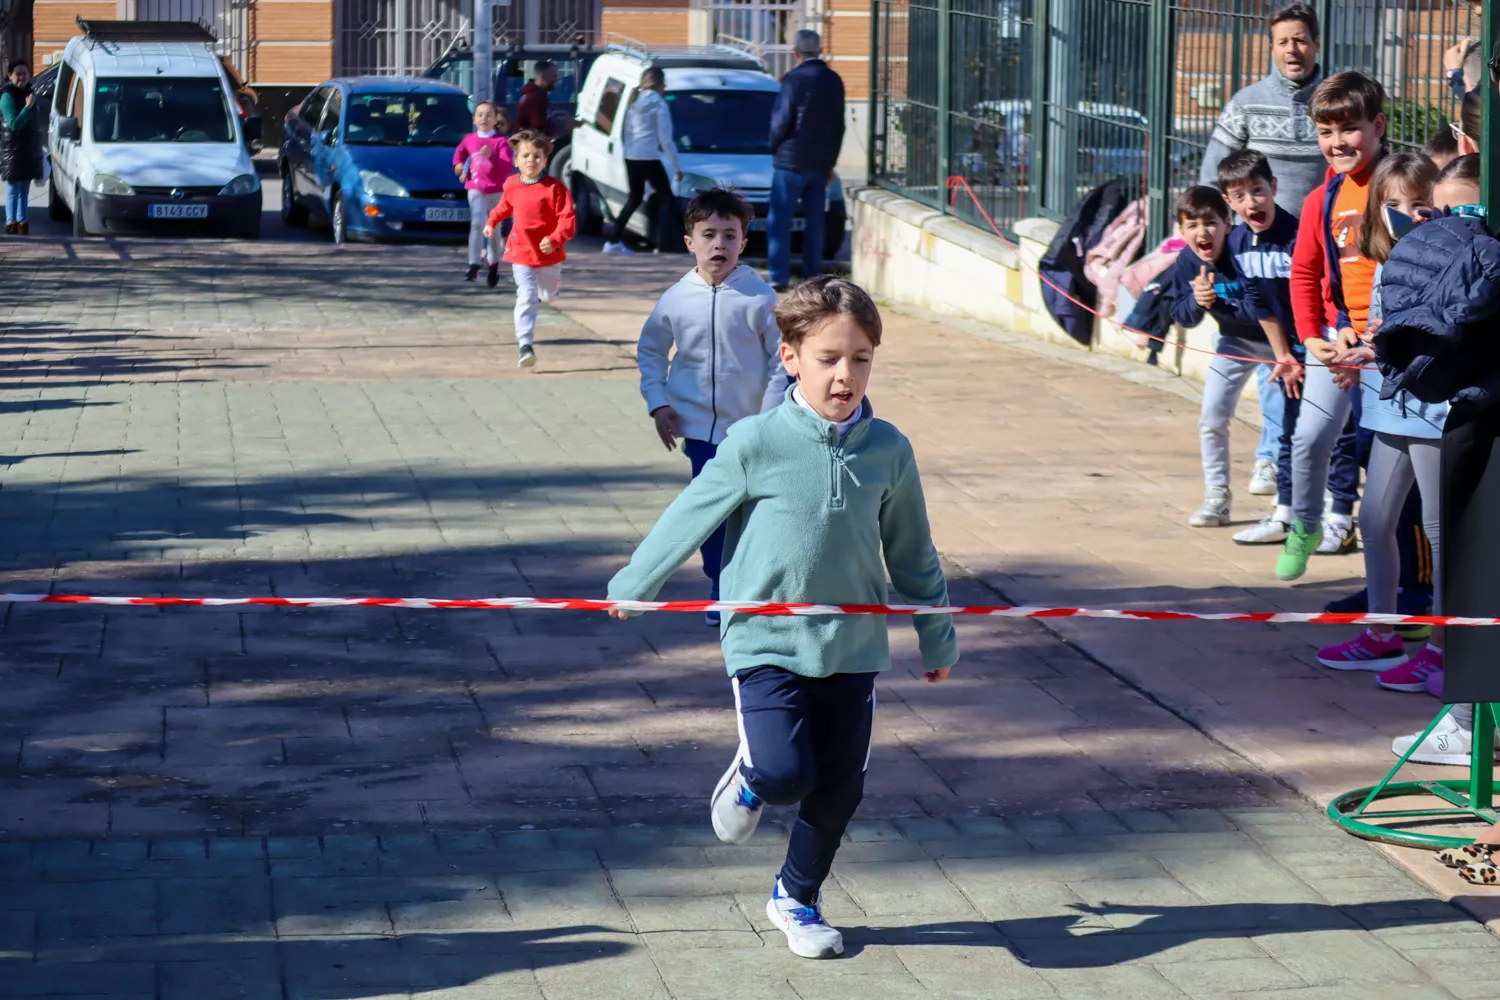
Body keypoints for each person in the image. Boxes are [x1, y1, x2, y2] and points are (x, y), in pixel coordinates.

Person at [606, 276, 958, 960]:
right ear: (790, 357)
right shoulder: (755, 442)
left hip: (852, 645)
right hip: (765, 641)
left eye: (860, 358)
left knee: (840, 788)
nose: (845, 374)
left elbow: (914, 552)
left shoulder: (888, 448)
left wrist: (935, 632)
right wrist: (637, 581)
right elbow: (690, 515)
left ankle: (796, 898)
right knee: (785, 772)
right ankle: (750, 778)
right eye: (828, 357)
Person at [1314, 152, 1446, 690]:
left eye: (1419, 204)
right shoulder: (1385, 264)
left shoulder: (1447, 262)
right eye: (1392, 205)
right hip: (1389, 406)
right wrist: (1355, 348)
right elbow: (1380, 328)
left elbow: (1433, 334)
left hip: (1433, 411)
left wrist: (1378, 352)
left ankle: (1443, 647)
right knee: (1374, 519)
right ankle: (1381, 631)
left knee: (1440, 531)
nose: (1406, 215)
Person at [636, 187, 788, 623]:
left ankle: (755, 585)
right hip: (700, 431)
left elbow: (784, 360)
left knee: (757, 510)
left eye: (729, 234)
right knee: (711, 513)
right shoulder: (675, 298)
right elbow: (650, 351)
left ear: (744, 241)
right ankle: (721, 588)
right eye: (708, 234)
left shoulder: (761, 298)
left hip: (754, 430)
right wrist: (658, 402)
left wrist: (769, 417)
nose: (718, 244)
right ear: (690, 242)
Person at [1278, 71, 1388, 581]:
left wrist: (1376, 342)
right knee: (1310, 439)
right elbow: (1303, 272)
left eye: (1349, 129)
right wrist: (1312, 338)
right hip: (1338, 339)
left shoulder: (1402, 187)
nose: (1336, 142)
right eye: (1325, 131)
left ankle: (1395, 577)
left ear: (1378, 125)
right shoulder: (1321, 200)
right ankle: (1304, 524)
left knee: (1378, 458)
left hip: (1390, 346)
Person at [1207, 150, 1307, 545]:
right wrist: (1282, 355)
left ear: (1274, 187)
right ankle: (1286, 515)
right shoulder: (1238, 243)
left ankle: (1337, 517)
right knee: (1289, 431)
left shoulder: (1299, 236)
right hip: (1288, 353)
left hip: (1319, 348)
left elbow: (1315, 296)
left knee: (1344, 439)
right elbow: (1259, 303)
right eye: (1240, 196)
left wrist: (1306, 351)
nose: (1252, 202)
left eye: (1258, 191)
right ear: (1228, 203)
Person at [1169, 185, 1283, 527]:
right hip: (1234, 343)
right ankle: (1217, 497)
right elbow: (1181, 314)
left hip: (1279, 342)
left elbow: (1261, 308)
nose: (1202, 232)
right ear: (1181, 230)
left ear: (1228, 223)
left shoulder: (1243, 252)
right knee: (1212, 418)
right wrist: (1196, 301)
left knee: (1284, 419)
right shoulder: (1187, 261)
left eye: (1210, 223)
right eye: (1192, 225)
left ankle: (1285, 493)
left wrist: (1215, 302)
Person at [1198, 3, 1326, 214]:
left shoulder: (1334, 105)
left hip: (1318, 238)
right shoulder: (1245, 104)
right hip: (1255, 240)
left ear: (1317, 44)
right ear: (1272, 48)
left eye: (1300, 41)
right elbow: (1212, 177)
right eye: (1282, 42)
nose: (1291, 50)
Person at [484, 130, 577, 369]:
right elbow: (504, 207)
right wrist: (492, 222)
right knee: (526, 296)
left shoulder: (555, 189)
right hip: (520, 251)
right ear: (516, 160)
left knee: (546, 294)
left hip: (549, 254)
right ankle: (525, 345)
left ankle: (551, 289)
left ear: (545, 160)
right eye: (525, 155)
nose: (531, 160)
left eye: (537, 156)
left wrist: (555, 238)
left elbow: (568, 219)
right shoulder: (512, 185)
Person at [767, 30, 845, 292]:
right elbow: (839, 125)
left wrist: (773, 146)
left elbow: (782, 119)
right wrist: (831, 161)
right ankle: (812, 278)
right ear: (820, 50)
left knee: (779, 220)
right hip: (820, 164)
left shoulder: (793, 79)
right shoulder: (834, 80)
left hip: (790, 162)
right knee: (815, 223)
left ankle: (779, 277)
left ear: (796, 53)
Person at [603, 68, 684, 256]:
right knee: (668, 199)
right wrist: (676, 166)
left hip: (631, 157)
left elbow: (626, 131)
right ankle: (687, 244)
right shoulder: (659, 104)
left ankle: (613, 240)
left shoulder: (634, 101)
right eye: (664, 84)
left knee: (635, 198)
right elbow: (666, 140)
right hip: (649, 157)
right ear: (659, 84)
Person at [454, 102, 515, 286]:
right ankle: (473, 264)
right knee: (477, 222)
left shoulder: (500, 142)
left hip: (496, 189)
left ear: (496, 120)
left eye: (489, 115)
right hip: (475, 187)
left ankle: (493, 263)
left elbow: (508, 167)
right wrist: (457, 165)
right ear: (474, 119)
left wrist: (492, 156)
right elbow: (459, 153)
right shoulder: (469, 139)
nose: (484, 119)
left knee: (494, 229)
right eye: (480, 115)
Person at [0, 59, 40, 236]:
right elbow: (14, 123)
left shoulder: (30, 92)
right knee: (14, 187)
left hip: (27, 148)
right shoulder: (7, 95)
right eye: (18, 74)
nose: (22, 77)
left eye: (24, 73)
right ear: (10, 76)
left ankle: (22, 222)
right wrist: (28, 107)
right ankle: (11, 222)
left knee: (25, 188)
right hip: (12, 151)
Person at [515, 60, 558, 135]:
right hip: (529, 143)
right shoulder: (533, 98)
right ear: (543, 77)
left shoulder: (538, 95)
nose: (556, 79)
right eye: (554, 76)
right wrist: (562, 126)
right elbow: (538, 127)